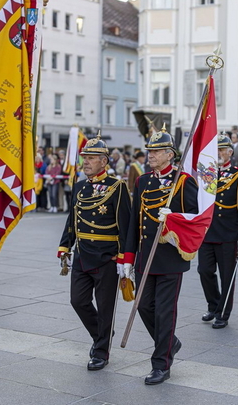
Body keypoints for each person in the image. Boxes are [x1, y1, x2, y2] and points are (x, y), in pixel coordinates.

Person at [123, 127, 198, 385]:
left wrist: (174, 219)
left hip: (169, 257)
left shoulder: (184, 181)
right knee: (143, 306)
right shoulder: (142, 182)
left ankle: (161, 364)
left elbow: (196, 219)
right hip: (146, 256)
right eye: (149, 151)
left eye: (156, 152)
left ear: (170, 154)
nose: (151, 155)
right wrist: (127, 258)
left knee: (164, 312)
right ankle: (170, 342)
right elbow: (134, 222)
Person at [57, 134, 131, 370]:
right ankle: (103, 334)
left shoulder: (117, 187)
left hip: (107, 256)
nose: (86, 162)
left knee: (105, 305)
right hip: (82, 254)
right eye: (84, 158)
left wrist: (123, 256)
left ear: (104, 161)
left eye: (91, 158)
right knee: (77, 301)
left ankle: (101, 350)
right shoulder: (78, 186)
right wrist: (65, 245)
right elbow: (73, 220)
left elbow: (125, 225)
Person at [197, 133, 238, 329]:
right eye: (216, 149)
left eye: (222, 149)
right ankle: (213, 305)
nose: (219, 153)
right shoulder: (205, 174)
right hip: (207, 232)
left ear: (230, 152)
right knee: (204, 271)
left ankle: (223, 313)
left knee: (227, 274)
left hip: (227, 233)